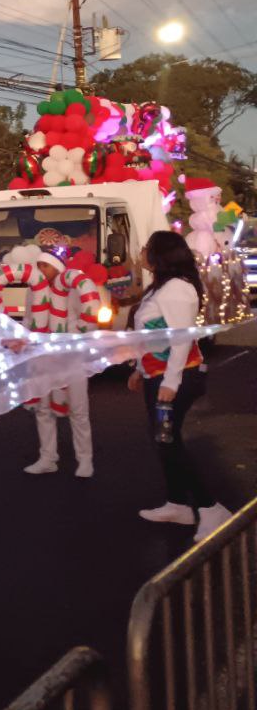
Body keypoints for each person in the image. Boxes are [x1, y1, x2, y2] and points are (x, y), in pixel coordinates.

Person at [131, 230, 232, 541]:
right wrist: (139, 369)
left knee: (168, 441)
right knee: (162, 440)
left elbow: (180, 339)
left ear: (161, 254)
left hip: (175, 377)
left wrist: (171, 382)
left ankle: (211, 508)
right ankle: (177, 504)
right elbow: (150, 335)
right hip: (156, 375)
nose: (142, 251)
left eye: (147, 247)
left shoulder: (176, 289)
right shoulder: (159, 288)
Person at [23, 246, 95, 478]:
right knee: (43, 409)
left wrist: (74, 336)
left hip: (72, 357)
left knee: (78, 408)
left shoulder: (74, 289)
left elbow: (89, 316)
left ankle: (84, 460)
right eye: (39, 266)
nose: (42, 270)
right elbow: (28, 318)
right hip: (43, 357)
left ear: (58, 267)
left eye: (46, 265)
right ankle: (47, 457)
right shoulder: (33, 289)